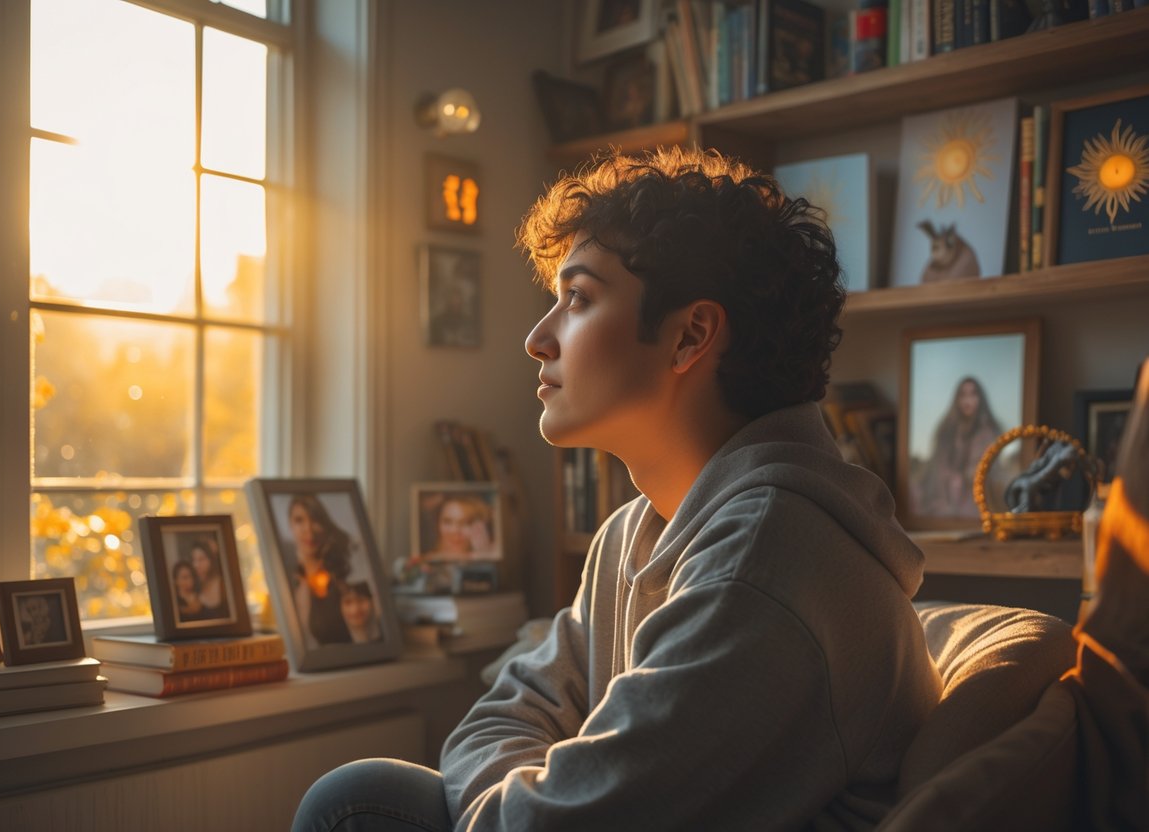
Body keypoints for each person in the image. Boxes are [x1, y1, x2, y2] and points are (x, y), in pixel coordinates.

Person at [293, 147, 941, 831]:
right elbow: (509, 710)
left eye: (577, 298)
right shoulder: (637, 531)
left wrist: (500, 805)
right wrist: (517, 796)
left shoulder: (761, 568)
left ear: (690, 335)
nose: (538, 339)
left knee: (356, 804)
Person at [915, 376, 1002, 518]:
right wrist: (950, 479)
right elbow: (938, 467)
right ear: (957, 399)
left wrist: (962, 479)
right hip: (944, 494)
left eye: (973, 394)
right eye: (963, 395)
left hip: (975, 496)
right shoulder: (946, 430)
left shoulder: (988, 432)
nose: (968, 400)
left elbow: (987, 470)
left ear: (980, 399)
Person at [286, 494, 354, 648]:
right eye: (299, 520)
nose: (309, 529)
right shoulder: (284, 575)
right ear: (290, 525)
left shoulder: (340, 576)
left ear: (325, 526)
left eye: (315, 520)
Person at [422, 495, 494, 562]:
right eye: (448, 522)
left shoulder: (488, 558)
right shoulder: (424, 562)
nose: (455, 530)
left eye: (465, 522)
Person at [189, 538, 230, 619]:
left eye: (201, 559)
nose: (196, 565)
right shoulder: (193, 588)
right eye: (194, 560)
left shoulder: (225, 585)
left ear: (212, 559)